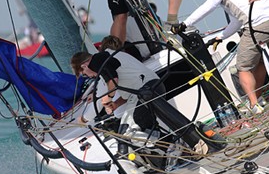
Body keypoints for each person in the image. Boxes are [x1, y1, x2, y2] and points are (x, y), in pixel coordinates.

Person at [173, 0, 269, 113]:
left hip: (259, 25)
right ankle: (258, 100)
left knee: (243, 68)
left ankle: (254, 106)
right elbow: (237, 21)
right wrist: (220, 37)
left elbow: (207, 7)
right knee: (260, 62)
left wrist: (184, 24)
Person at [82, 50, 224, 154]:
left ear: (84, 65)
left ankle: (181, 145)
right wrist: (116, 103)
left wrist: (109, 97)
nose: (91, 76)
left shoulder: (97, 60)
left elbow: (112, 78)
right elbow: (125, 91)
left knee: (128, 133)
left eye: (85, 73)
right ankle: (185, 142)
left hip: (144, 92)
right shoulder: (115, 55)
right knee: (146, 126)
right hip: (153, 86)